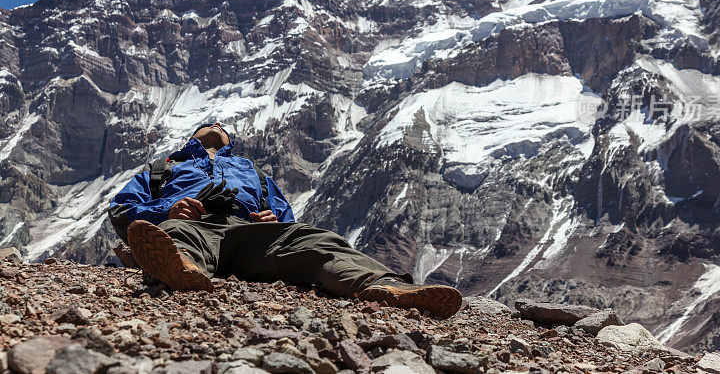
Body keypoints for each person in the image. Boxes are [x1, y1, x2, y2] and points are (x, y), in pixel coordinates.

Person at [108, 122, 462, 318]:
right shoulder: (164, 168)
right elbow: (123, 208)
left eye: (222, 126)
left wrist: (272, 216)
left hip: (254, 233)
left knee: (316, 240)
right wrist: (166, 211)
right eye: (207, 125)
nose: (216, 125)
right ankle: (182, 267)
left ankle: (387, 287)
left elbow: (287, 219)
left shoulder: (253, 172)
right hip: (195, 224)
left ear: (231, 142)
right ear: (192, 138)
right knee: (177, 232)